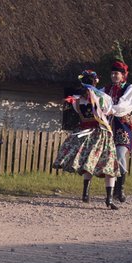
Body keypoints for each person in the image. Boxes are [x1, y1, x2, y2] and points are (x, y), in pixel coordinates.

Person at [52, 70, 121, 209]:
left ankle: (85, 193)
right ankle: (109, 199)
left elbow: (79, 112)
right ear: (96, 81)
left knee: (89, 162)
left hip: (84, 133)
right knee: (109, 164)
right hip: (101, 134)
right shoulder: (104, 98)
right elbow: (108, 111)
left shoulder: (77, 99)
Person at [101, 60, 132, 203]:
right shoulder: (106, 89)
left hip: (122, 125)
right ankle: (113, 189)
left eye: (116, 73)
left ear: (123, 75)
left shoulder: (130, 88)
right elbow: (97, 97)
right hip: (108, 126)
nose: (113, 76)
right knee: (110, 157)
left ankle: (120, 189)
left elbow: (124, 105)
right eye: (112, 73)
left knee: (120, 154)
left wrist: (111, 109)